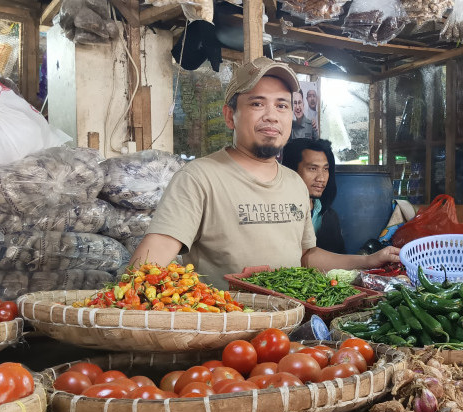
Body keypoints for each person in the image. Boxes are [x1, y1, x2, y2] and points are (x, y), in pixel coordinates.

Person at [131, 57, 399, 286]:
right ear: (229, 116)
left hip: (288, 332)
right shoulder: (199, 178)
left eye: (281, 105)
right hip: (227, 333)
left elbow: (307, 257)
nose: (272, 115)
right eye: (257, 104)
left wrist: (367, 260)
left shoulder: (294, 183)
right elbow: (148, 264)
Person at [282, 138, 344, 254]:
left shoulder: (329, 217)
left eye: (325, 169)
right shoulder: (278, 213)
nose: (321, 178)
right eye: (312, 169)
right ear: (291, 170)